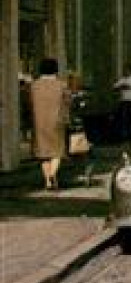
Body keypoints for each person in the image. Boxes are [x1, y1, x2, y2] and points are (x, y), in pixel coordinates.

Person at [29, 59, 69, 191]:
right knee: (57, 151)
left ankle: (47, 181)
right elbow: (67, 102)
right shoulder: (61, 85)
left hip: (39, 122)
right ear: (55, 70)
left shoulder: (34, 86)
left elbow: (29, 103)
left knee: (43, 153)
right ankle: (52, 174)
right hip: (56, 122)